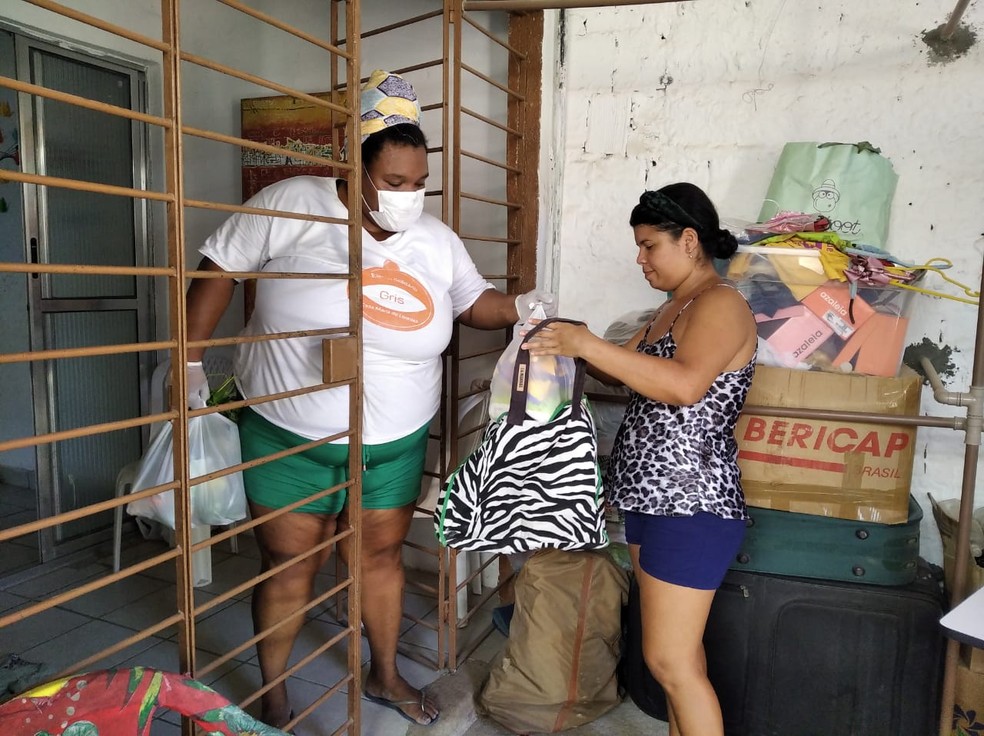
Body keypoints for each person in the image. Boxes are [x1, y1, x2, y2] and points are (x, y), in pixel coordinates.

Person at [184, 69, 555, 729]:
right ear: (353, 169)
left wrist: (520, 307)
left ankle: (385, 674)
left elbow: (475, 304)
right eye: (393, 183)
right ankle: (273, 695)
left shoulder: (436, 241)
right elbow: (217, 272)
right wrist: (185, 363)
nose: (408, 197)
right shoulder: (293, 203)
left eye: (418, 184)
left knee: (379, 557)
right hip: (288, 432)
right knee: (292, 562)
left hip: (393, 442)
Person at [523, 183, 756, 736]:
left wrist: (587, 346)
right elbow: (628, 372)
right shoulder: (674, 308)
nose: (640, 258)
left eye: (650, 245)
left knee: (671, 665)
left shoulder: (721, 304)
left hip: (693, 504)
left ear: (690, 241)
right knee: (680, 660)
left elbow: (683, 386)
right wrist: (564, 341)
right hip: (651, 501)